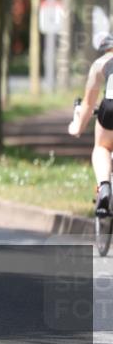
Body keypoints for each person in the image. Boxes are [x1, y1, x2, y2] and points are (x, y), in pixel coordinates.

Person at [68, 33, 113, 214]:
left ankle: (104, 187)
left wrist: (77, 127)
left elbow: (88, 104)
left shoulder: (101, 63)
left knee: (101, 147)